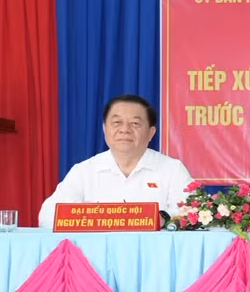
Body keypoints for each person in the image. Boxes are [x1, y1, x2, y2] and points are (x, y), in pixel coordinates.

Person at [38, 95, 193, 228]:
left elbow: (192, 213)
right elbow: (47, 216)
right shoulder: (84, 171)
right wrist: (93, 219)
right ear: (105, 129)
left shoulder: (173, 170)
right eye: (117, 123)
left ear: (151, 133)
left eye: (135, 124)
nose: (125, 129)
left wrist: (162, 217)